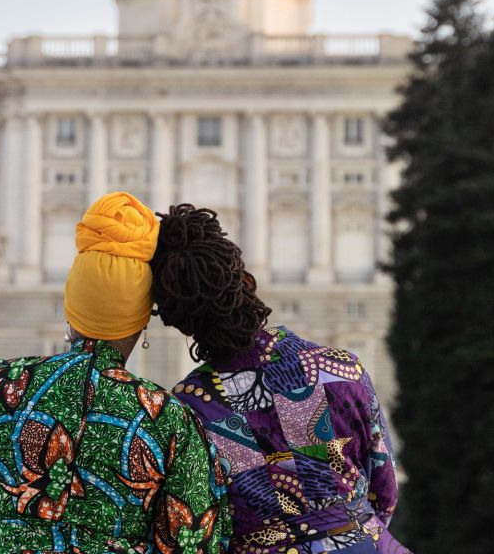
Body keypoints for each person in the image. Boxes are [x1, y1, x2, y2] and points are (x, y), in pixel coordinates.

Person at [0, 193, 231, 554]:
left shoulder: (0, 383)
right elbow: (193, 538)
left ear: (71, 311)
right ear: (141, 323)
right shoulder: (167, 418)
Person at [150, 204, 410, 554]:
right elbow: (384, 489)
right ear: (248, 282)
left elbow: (196, 528)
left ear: (179, 323)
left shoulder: (187, 410)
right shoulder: (340, 369)